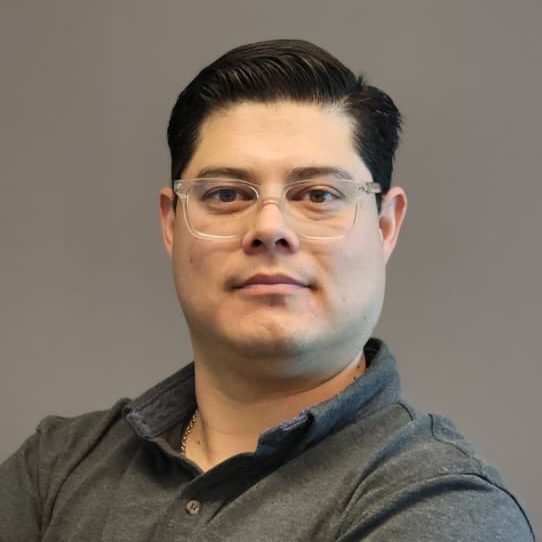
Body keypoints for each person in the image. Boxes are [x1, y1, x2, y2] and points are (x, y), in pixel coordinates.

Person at [0, 39, 534, 542]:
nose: (269, 228)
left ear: (385, 226)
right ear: (171, 223)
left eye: (318, 195)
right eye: (226, 194)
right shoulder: (53, 469)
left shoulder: (444, 507)